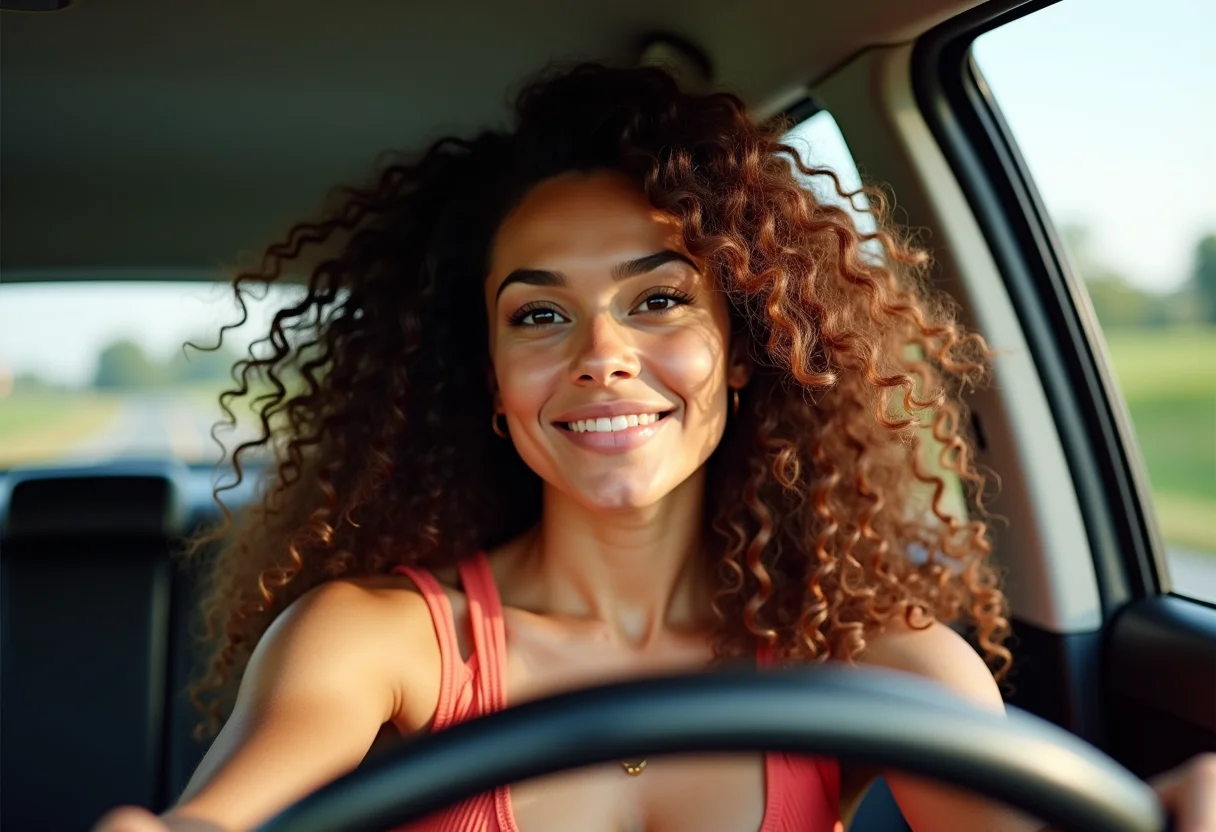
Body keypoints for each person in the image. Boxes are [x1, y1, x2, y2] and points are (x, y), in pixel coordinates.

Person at [95, 63, 1214, 832]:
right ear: (487, 374)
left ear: (743, 347)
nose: (601, 355)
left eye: (659, 301)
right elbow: (220, 813)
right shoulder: (376, 640)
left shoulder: (875, 655)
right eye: (539, 315)